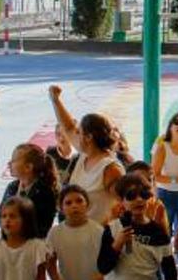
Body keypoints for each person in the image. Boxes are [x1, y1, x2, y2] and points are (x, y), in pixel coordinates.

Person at [97, 174, 178, 280]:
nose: (139, 199)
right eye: (131, 195)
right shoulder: (113, 228)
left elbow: (170, 271)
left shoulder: (158, 233)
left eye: (143, 194)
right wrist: (117, 244)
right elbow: (103, 267)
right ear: (121, 201)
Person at [49, 85, 125, 225]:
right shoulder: (86, 154)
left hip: (99, 237)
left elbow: (125, 202)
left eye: (80, 132)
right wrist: (55, 100)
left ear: (88, 137)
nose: (76, 135)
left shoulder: (110, 169)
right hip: (77, 232)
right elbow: (68, 127)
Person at [46, 185, 104, 280]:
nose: (74, 206)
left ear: (87, 205)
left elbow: (105, 258)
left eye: (79, 201)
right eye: (68, 203)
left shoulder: (97, 230)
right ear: (61, 208)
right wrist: (55, 278)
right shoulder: (55, 232)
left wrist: (103, 275)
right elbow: (50, 260)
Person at [0, 144, 59, 239]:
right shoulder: (12, 187)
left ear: (28, 167)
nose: (9, 163)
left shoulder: (45, 193)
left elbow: (43, 227)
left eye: (14, 160)